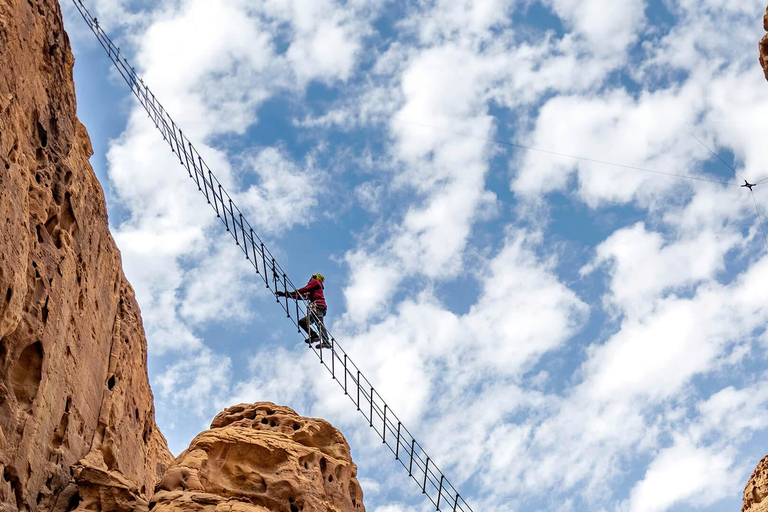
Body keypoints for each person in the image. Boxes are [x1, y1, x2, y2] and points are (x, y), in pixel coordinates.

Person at [276, 273, 330, 348]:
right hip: (318, 307)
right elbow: (302, 296)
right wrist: (286, 294)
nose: (309, 280)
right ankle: (314, 336)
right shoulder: (313, 290)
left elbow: (305, 289)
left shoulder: (315, 281)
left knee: (319, 323)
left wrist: (290, 293)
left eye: (311, 278)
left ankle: (326, 342)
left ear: (314, 277)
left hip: (319, 306)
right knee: (302, 322)